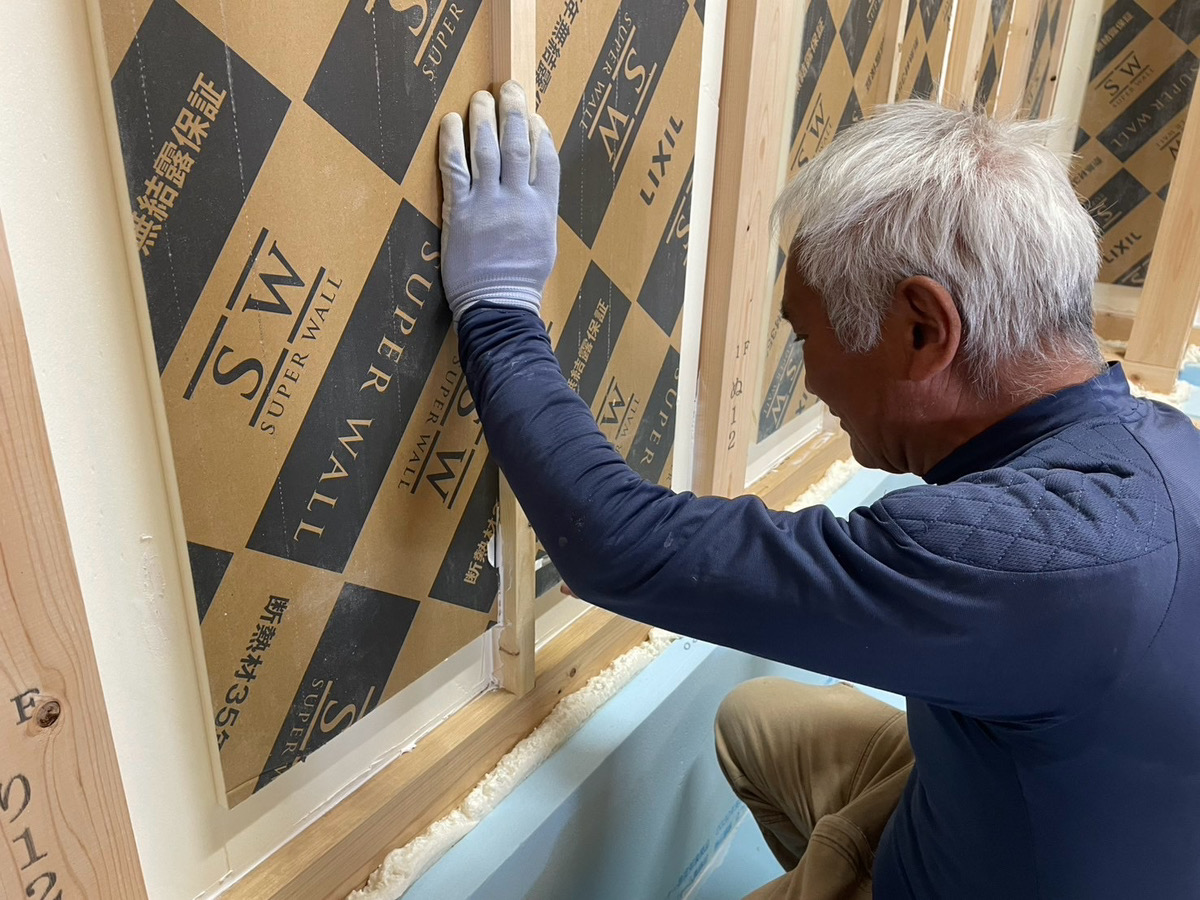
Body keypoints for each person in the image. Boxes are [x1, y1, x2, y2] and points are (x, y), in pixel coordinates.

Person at [437, 82, 1200, 899]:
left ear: (923, 330)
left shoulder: (1036, 558)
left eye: (805, 335)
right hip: (1040, 812)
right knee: (756, 721)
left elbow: (618, 545)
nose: (807, 380)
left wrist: (499, 312)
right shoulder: (1161, 442)